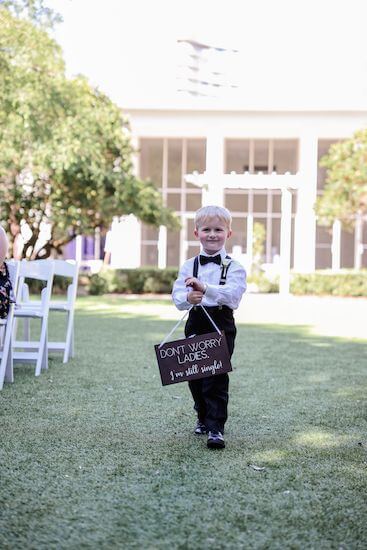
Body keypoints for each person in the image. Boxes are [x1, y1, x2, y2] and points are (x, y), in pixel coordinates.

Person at [172, 205, 247, 449]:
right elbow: (178, 296)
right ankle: (202, 416)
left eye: (218, 229)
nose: (212, 234)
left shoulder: (234, 267)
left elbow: (233, 296)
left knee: (216, 375)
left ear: (228, 233)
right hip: (197, 320)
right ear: (196, 233)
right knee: (194, 375)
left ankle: (216, 427)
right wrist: (188, 298)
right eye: (207, 229)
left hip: (221, 322)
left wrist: (206, 289)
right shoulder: (188, 265)